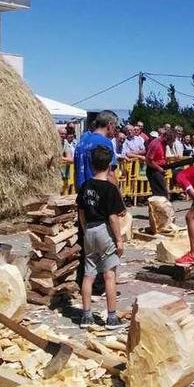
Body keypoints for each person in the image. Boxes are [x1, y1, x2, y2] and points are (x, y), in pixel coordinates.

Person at [77, 146, 126, 329]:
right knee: (109, 275)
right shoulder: (109, 188)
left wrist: (85, 229)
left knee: (88, 274)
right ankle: (112, 317)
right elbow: (113, 217)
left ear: (92, 164)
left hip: (89, 229)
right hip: (104, 230)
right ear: (109, 165)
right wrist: (119, 239)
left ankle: (86, 315)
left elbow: (81, 211)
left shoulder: (86, 186)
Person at [73, 111, 119, 294]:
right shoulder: (104, 143)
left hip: (84, 195)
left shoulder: (82, 141)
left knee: (86, 240)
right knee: (106, 244)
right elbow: (111, 174)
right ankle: (102, 285)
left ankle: (84, 280)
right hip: (102, 198)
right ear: (109, 125)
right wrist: (118, 197)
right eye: (114, 127)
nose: (114, 130)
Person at [145, 128, 171, 197]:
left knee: (162, 194)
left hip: (159, 170)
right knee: (160, 195)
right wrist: (159, 168)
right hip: (153, 171)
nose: (169, 143)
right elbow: (148, 160)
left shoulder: (164, 144)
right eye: (169, 141)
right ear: (165, 136)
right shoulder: (155, 143)